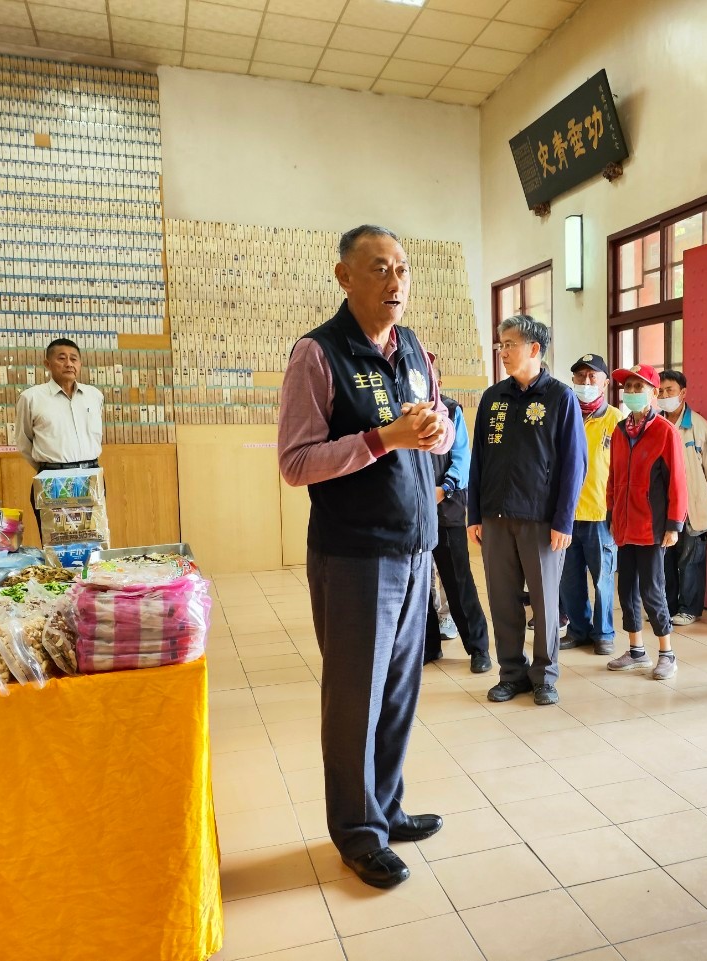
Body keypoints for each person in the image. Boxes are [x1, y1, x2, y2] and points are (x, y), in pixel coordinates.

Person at [278, 224, 450, 889]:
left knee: (401, 693)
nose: (396, 281)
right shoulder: (318, 355)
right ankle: (356, 831)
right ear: (344, 276)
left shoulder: (412, 348)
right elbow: (296, 463)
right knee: (357, 698)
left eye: (403, 268)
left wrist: (438, 431)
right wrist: (383, 438)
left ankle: (386, 808)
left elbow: (434, 426)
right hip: (355, 555)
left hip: (415, 544)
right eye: (379, 268)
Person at [468, 316, 586, 706]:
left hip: (541, 522)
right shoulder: (492, 398)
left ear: (534, 349)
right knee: (502, 601)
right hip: (496, 519)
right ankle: (511, 673)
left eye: (510, 344)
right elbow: (478, 461)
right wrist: (474, 515)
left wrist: (563, 520)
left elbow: (574, 464)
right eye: (500, 344)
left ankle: (544, 676)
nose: (503, 352)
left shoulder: (560, 397)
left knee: (544, 603)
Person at [605, 365, 687, 680]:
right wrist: (612, 514)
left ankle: (667, 653)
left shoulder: (665, 432)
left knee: (653, 590)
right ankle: (637, 650)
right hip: (624, 525)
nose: (633, 393)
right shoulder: (619, 430)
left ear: (654, 393)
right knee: (625, 589)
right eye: (628, 387)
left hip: (652, 527)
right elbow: (613, 478)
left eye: (640, 387)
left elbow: (677, 482)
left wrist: (674, 525)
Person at [559, 353, 623, 656]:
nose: (586, 382)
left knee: (602, 580)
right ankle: (578, 630)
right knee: (569, 579)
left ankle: (604, 632)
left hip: (601, 514)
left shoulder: (617, 420)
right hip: (566, 514)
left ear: (605, 383)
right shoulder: (564, 416)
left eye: (592, 376)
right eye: (580, 376)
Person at [423, 391, 492, 674]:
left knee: (458, 582)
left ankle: (478, 648)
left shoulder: (451, 410)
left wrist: (444, 489)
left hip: (445, 507)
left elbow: (462, 457)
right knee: (418, 587)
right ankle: (428, 646)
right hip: (410, 512)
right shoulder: (399, 409)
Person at [15, 338, 105, 541]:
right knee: (56, 544)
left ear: (80, 364)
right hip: (52, 479)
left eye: (74, 359)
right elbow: (24, 441)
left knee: (93, 541)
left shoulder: (94, 396)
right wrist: (48, 468)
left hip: (91, 476)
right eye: (61, 358)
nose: (69, 364)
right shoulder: (31, 398)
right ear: (47, 364)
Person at [657, 369, 707, 627]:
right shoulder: (655, 425)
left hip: (694, 504)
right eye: (660, 391)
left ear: (683, 393)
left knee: (691, 559)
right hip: (663, 506)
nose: (664, 396)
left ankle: (689, 608)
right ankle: (668, 604)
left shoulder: (700, 427)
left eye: (669, 391)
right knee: (665, 559)